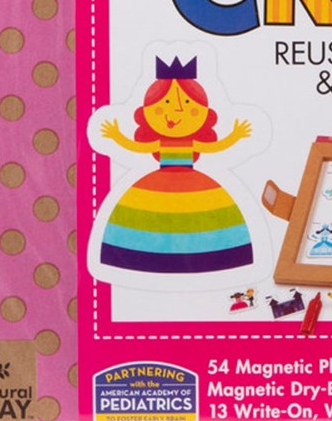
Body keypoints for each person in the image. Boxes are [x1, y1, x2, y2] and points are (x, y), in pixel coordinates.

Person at [94, 56, 253, 277]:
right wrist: (115, 135)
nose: (177, 110)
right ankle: (145, 260)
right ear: (146, 113)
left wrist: (236, 135)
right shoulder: (161, 142)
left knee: (204, 226)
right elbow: (138, 147)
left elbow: (214, 147)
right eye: (166, 103)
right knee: (149, 225)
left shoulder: (192, 142)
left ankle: (212, 261)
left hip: (196, 190)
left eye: (188, 104)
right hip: (156, 190)